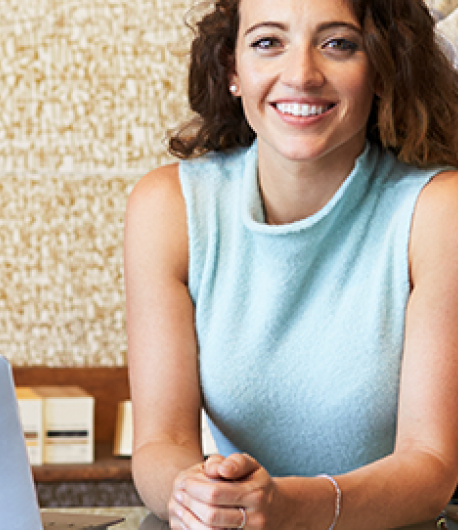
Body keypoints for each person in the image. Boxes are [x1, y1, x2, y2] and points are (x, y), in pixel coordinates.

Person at [124, 0, 458, 528]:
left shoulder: (440, 211)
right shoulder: (168, 207)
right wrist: (193, 495)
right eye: (267, 42)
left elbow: (430, 468)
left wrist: (285, 507)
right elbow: (160, 444)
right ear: (232, 70)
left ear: (381, 68)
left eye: (338, 44)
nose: (301, 74)